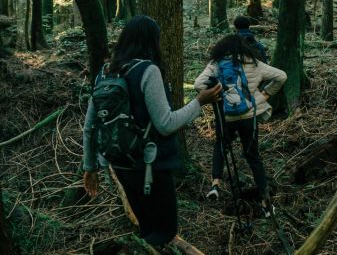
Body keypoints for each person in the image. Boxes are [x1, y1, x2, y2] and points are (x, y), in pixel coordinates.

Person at [82, 15, 221, 248]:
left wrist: (90, 167)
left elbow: (90, 126)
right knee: (165, 231)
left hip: (120, 163)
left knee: (147, 227)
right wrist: (200, 101)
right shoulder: (148, 71)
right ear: (152, 41)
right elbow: (165, 123)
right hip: (150, 166)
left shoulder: (105, 72)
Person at [194, 34, 287, 217]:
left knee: (221, 147)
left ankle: (215, 185)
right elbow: (281, 76)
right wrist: (264, 95)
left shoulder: (216, 63)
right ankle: (266, 203)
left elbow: (198, 84)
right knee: (253, 156)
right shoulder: (254, 63)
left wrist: (217, 96)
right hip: (248, 117)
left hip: (226, 117)